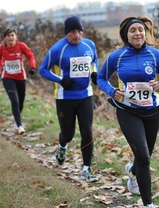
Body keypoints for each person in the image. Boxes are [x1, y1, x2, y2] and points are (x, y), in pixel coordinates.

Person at [97, 15, 159, 208]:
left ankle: (131, 172)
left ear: (145, 32)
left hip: (151, 111)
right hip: (128, 110)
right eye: (133, 31)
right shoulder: (118, 56)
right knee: (143, 155)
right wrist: (112, 91)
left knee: (144, 156)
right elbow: (100, 78)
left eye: (140, 30)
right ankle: (149, 207)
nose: (137, 33)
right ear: (126, 35)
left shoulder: (155, 54)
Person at [39, 16, 99, 182]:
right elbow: (43, 70)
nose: (77, 35)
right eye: (73, 32)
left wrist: (94, 73)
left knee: (87, 131)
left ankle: (86, 169)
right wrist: (60, 80)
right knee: (68, 134)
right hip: (65, 97)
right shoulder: (58, 49)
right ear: (66, 32)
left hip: (85, 95)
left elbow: (94, 61)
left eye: (80, 31)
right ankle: (62, 146)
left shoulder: (89, 45)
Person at [0, 28, 36, 134]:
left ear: (16, 37)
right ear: (4, 38)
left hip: (20, 77)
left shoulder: (21, 46)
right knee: (14, 100)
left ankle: (16, 120)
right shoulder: (1, 48)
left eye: (12, 35)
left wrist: (32, 67)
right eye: (8, 36)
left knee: (20, 102)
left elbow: (30, 56)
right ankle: (19, 126)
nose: (10, 37)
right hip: (7, 77)